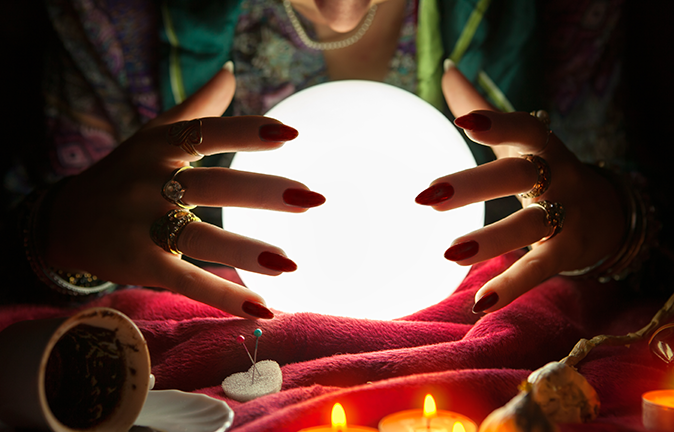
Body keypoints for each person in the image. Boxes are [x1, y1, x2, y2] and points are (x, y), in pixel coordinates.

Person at [1, 0, 671, 320]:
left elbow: (638, 211)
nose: (339, 10)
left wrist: (616, 220)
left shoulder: (557, 14)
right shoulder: (112, 18)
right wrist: (59, 232)